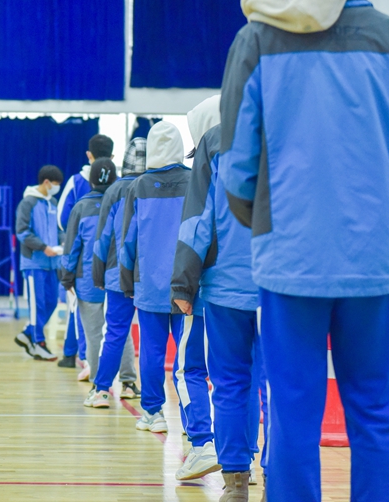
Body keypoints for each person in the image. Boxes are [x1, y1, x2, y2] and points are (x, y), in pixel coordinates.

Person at [219, 0, 389, 499]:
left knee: (293, 416)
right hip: (374, 261)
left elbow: (237, 166)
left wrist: (265, 222)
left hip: (288, 260)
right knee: (377, 413)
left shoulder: (256, 39)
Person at [172, 95, 268, 497]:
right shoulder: (292, 128)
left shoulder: (213, 142)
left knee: (230, 383)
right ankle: (275, 476)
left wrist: (183, 283)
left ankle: (236, 483)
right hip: (283, 285)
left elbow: (198, 220)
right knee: (276, 386)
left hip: (227, 285)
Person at [120, 121, 218, 479]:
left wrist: (127, 281)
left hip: (148, 285)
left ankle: (153, 413)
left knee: (151, 352)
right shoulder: (195, 180)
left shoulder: (138, 187)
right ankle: (197, 433)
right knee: (190, 365)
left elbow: (128, 238)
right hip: (188, 287)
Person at [89, 138, 148, 407]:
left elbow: (102, 238)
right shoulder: (157, 186)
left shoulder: (114, 190)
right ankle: (145, 398)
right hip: (152, 278)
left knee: (115, 334)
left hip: (116, 275)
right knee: (152, 340)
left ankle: (102, 391)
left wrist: (98, 275)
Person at [60, 158, 121, 403]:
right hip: (118, 277)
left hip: (87, 279)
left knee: (94, 334)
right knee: (121, 332)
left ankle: (99, 388)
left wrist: (66, 277)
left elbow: (71, 246)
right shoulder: (122, 202)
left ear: (91, 180)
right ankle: (129, 382)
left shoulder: (81, 207)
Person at [56, 134, 114, 370]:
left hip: (83, 261)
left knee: (82, 313)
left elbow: (62, 220)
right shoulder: (121, 186)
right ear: (112, 156)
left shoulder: (76, 182)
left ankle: (80, 359)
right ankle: (123, 376)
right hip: (115, 266)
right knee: (115, 324)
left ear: (89, 154)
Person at [13, 165, 64, 361]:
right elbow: (22, 232)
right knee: (38, 305)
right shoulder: (28, 202)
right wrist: (43, 247)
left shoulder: (53, 202)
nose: (56, 188)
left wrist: (63, 242)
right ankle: (38, 343)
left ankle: (28, 333)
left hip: (53, 263)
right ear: (46, 182)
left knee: (51, 302)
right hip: (34, 263)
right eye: (55, 184)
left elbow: (59, 229)